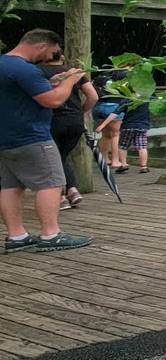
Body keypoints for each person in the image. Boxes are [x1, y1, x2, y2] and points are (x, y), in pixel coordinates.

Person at [1, 28, 92, 252]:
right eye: (53, 52)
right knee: (52, 182)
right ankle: (51, 234)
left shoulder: (5, 65)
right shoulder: (24, 69)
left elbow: (21, 93)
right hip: (32, 136)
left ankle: (17, 236)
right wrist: (70, 81)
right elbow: (52, 101)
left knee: (11, 185)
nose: (50, 57)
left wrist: (55, 81)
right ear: (41, 46)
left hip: (5, 137)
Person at [35, 51, 97, 209]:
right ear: (62, 57)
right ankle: (72, 189)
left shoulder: (38, 73)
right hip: (75, 120)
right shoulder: (74, 72)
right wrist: (81, 111)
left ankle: (62, 194)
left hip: (52, 120)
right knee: (62, 156)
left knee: (53, 159)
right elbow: (93, 96)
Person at [91, 66, 128, 171]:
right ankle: (115, 161)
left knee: (105, 134)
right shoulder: (123, 78)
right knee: (116, 134)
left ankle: (104, 159)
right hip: (113, 106)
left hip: (98, 106)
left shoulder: (103, 77)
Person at [118, 99, 152, 173]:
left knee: (123, 146)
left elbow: (115, 112)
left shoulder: (125, 100)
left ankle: (123, 165)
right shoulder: (146, 99)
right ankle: (144, 167)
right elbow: (159, 99)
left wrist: (103, 124)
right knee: (142, 147)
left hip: (127, 126)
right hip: (142, 127)